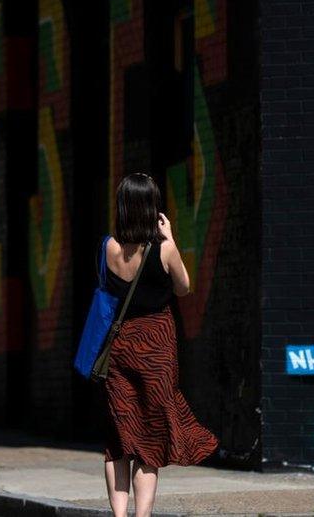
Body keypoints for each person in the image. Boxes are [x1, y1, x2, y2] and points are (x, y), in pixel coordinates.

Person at [101, 173, 218, 517]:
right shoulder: (163, 248)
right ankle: (142, 516)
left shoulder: (108, 247)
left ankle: (119, 516)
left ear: (123, 207)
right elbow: (183, 288)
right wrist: (170, 239)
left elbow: (106, 292)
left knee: (118, 439)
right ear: (152, 207)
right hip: (156, 347)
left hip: (119, 345)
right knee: (150, 438)